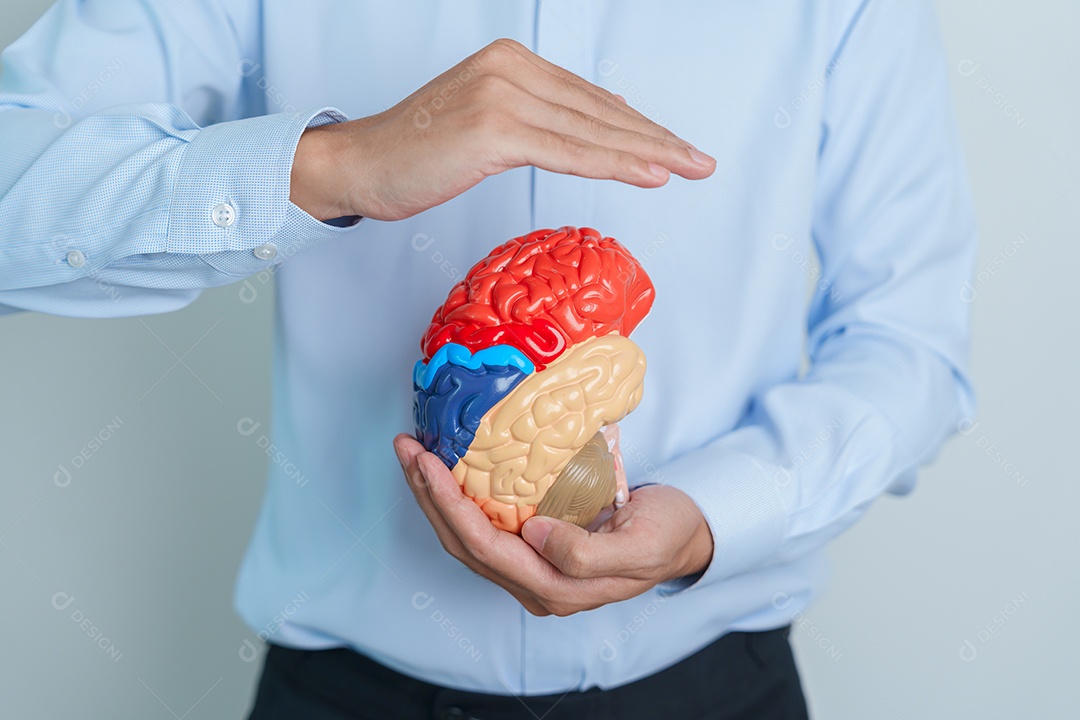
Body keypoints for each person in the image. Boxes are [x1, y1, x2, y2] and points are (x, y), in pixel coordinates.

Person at [0, 1, 976, 718]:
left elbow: (911, 344)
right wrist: (335, 166)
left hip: (716, 688)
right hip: (346, 695)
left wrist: (713, 519)